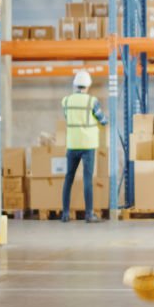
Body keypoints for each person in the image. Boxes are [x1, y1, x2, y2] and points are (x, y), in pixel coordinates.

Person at [61, 71, 108, 223]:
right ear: (88, 86)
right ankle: (89, 214)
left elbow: (67, 117)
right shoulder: (92, 101)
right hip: (88, 145)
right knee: (88, 179)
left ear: (75, 85)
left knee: (68, 178)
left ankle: (65, 214)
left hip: (72, 145)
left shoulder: (66, 101)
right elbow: (102, 120)